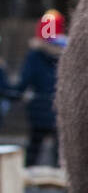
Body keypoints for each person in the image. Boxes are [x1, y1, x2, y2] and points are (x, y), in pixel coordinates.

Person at [12, 9, 65, 168]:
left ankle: (26, 180)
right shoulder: (67, 53)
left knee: (34, 151)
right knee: (59, 156)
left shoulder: (34, 56)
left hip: (39, 112)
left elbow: (22, 85)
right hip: (59, 110)